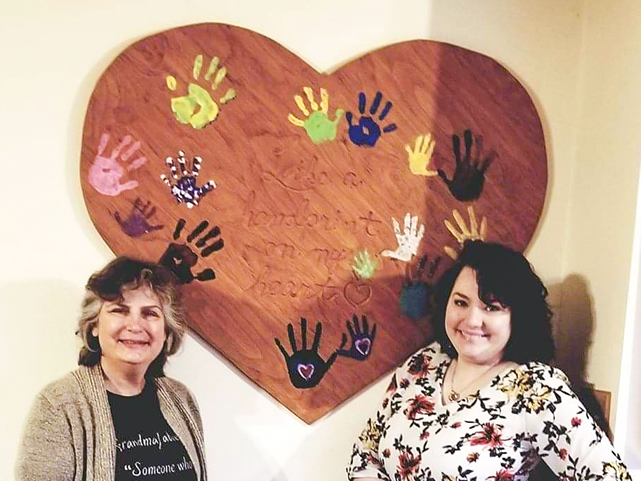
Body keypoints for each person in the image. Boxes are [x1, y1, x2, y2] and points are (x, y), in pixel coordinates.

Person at [347, 241, 630, 481]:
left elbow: (609, 474)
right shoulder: (423, 363)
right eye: (460, 302)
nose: (472, 320)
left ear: (518, 316)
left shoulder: (536, 388)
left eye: (491, 307)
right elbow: (364, 455)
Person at [16, 257, 207, 480]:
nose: (136, 325)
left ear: (165, 331)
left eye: (150, 313)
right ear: (94, 325)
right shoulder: (59, 406)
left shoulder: (181, 398)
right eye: (120, 310)